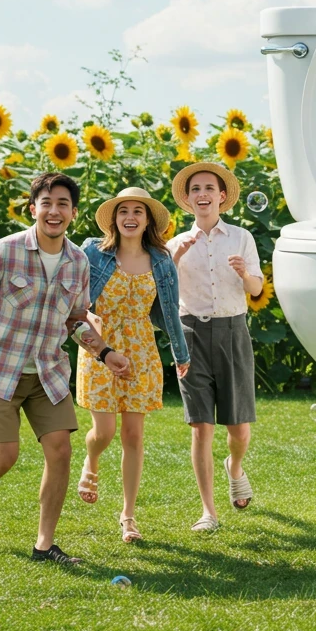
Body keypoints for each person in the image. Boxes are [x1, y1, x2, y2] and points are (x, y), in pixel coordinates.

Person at [0, 172, 129, 563]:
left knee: (60, 450)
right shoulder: (4, 252)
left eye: (63, 204)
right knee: (4, 457)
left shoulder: (78, 262)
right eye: (47, 203)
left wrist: (105, 353)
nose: (54, 211)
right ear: (33, 209)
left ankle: (44, 546)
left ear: (73, 213)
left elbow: (76, 319)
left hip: (46, 371)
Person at [76, 187, 190, 542]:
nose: (130, 217)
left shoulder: (160, 258)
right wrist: (90, 333)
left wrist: (181, 353)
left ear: (148, 220)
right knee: (104, 433)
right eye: (123, 210)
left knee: (134, 435)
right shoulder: (93, 251)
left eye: (138, 211)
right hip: (100, 345)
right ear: (114, 218)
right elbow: (76, 301)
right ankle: (91, 459)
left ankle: (128, 515)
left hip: (142, 347)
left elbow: (170, 310)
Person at [167, 162, 264, 532]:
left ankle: (235, 466)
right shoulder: (175, 244)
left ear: (222, 197)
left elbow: (255, 290)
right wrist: (173, 258)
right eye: (195, 190)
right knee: (201, 426)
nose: (203, 194)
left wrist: (245, 274)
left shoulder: (241, 237)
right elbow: (162, 295)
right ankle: (209, 511)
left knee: (238, 430)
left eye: (209, 188)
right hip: (190, 334)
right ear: (188, 200)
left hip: (232, 332)